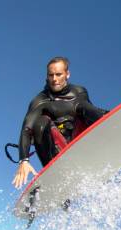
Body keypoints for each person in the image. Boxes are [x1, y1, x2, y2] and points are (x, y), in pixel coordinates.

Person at [12, 57, 110, 189]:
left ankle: (107, 129)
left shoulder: (79, 91)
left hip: (81, 140)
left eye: (58, 74)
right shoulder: (40, 100)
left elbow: (89, 112)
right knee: (39, 123)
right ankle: (53, 175)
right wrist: (23, 160)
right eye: (51, 75)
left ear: (67, 74)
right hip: (58, 151)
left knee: (82, 105)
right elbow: (26, 129)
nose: (54, 79)